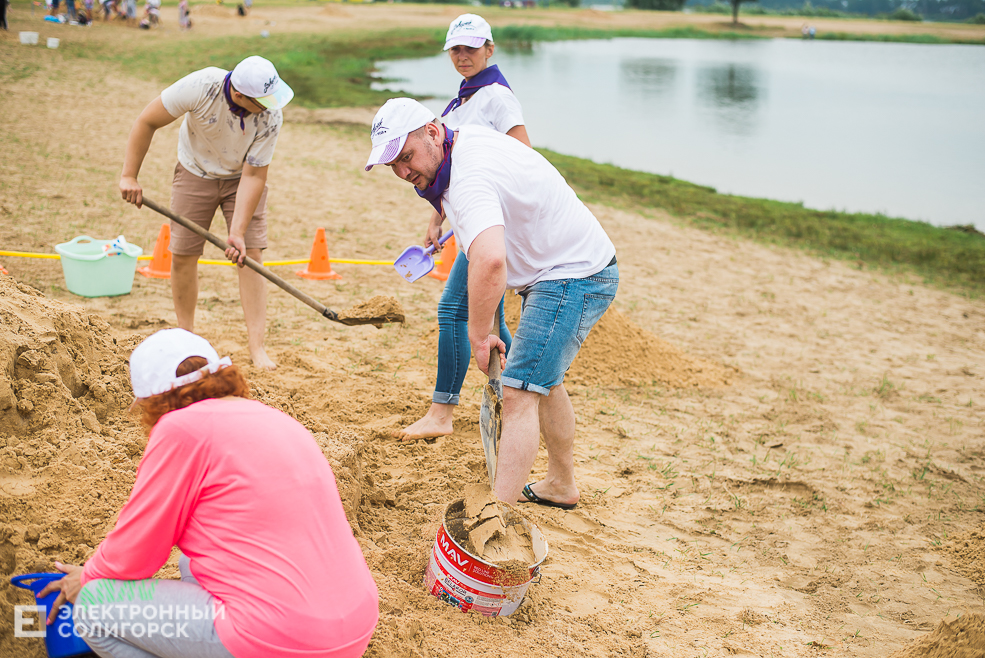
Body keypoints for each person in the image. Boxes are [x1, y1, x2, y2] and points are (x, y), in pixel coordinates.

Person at [39, 328, 379, 658]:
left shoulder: (180, 428)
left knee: (93, 604)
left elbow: (137, 550)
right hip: (354, 625)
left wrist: (88, 576)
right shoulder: (275, 418)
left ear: (154, 398)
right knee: (191, 560)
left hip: (277, 634)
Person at [365, 99, 618, 510]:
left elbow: (490, 261)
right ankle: (560, 484)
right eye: (392, 164)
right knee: (543, 380)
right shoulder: (457, 150)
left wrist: (479, 335)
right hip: (563, 267)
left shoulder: (468, 176)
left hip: (573, 273)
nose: (403, 172)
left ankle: (497, 514)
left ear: (433, 132)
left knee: (518, 392)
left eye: (406, 157)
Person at [393, 13, 531, 442]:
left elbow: (523, 157)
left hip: (488, 226)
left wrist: (494, 215)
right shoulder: (459, 102)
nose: (462, 55)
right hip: (471, 222)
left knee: (454, 310)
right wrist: (436, 219)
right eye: (455, 49)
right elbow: (447, 166)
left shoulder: (497, 97)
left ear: (490, 49)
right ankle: (523, 395)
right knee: (494, 322)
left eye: (471, 48)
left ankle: (442, 413)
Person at [119, 56, 292, 370]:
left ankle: (257, 347)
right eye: (263, 101)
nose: (271, 106)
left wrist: (237, 232)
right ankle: (187, 337)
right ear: (239, 94)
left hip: (242, 178)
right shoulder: (201, 86)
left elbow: (254, 175)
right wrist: (130, 176)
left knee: (251, 256)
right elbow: (147, 121)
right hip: (194, 171)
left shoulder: (271, 116)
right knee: (183, 254)